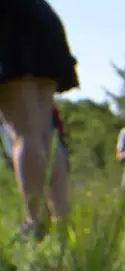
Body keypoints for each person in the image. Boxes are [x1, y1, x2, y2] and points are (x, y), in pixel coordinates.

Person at [0, 0, 79, 241]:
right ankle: (62, 225)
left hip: (8, 19)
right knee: (45, 133)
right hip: (42, 16)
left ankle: (36, 225)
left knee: (25, 133)